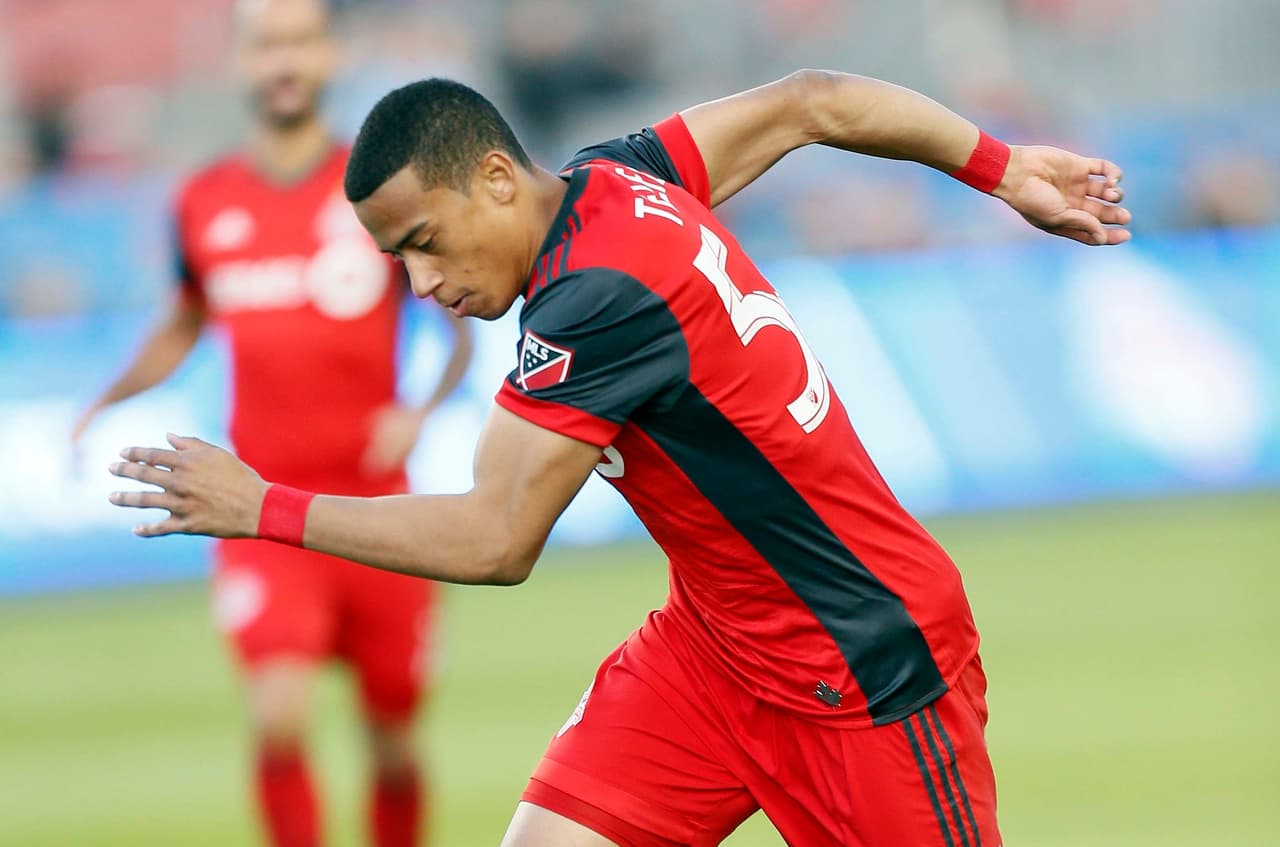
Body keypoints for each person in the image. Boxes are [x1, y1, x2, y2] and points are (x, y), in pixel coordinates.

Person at [108, 69, 1130, 846]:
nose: (419, 282)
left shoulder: (594, 299)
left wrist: (265, 507)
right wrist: (999, 168)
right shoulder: (617, 176)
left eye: (424, 239)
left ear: (496, 179)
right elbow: (811, 103)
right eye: (396, 259)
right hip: (716, 650)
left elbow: (496, 537)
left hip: (859, 665)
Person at [79, 3, 472, 846]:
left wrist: (423, 408)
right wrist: (103, 400)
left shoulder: (373, 191)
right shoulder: (203, 201)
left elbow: (455, 321)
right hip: (254, 502)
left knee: (395, 742)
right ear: (240, 64)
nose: (283, 60)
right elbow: (184, 320)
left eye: (299, 40)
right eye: (266, 44)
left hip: (377, 505)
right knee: (279, 714)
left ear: (328, 54)